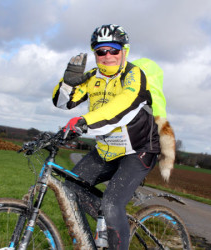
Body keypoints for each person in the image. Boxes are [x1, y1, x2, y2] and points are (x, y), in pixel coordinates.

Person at [52, 24, 161, 249]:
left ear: (124, 51)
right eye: (101, 51)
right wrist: (67, 82)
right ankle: (100, 234)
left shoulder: (134, 75)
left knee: (112, 204)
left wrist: (85, 122)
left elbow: (123, 107)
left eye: (114, 49)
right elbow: (64, 102)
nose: (107, 56)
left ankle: (113, 221)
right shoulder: (92, 76)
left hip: (138, 150)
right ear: (95, 54)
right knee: (70, 189)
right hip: (106, 150)